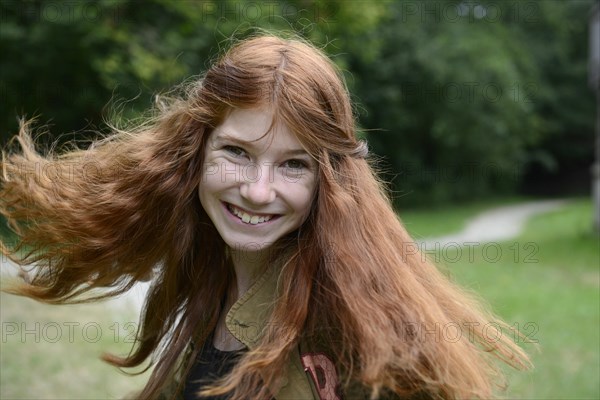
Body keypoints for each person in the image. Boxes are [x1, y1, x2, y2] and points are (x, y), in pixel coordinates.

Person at [0, 34, 530, 400]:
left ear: (331, 179)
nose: (258, 191)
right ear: (195, 150)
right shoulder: (205, 273)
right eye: (237, 152)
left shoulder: (358, 327)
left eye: (294, 164)